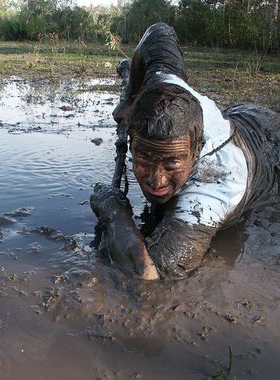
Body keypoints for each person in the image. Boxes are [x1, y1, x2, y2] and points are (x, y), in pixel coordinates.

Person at [90, 23, 279, 281]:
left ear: (197, 150)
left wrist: (114, 212)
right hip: (238, 114)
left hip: (270, 144)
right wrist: (129, 100)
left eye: (172, 163)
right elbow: (158, 33)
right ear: (132, 141)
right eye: (143, 158)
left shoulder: (213, 188)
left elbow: (148, 274)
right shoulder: (162, 83)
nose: (156, 179)